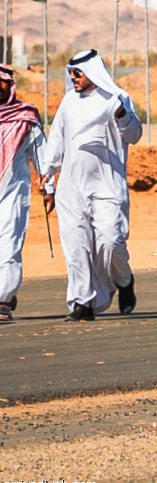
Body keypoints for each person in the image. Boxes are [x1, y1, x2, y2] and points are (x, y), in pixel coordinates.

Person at [40, 49, 142, 322]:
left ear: (93, 73)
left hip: (108, 187)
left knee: (111, 241)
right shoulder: (69, 102)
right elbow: (57, 140)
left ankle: (124, 280)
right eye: (70, 73)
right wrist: (47, 177)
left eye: (78, 73)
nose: (73, 78)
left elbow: (135, 135)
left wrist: (121, 114)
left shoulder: (117, 98)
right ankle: (82, 303)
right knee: (76, 246)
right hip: (71, 188)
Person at [0, 65, 50, 321]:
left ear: (10, 86)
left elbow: (41, 155)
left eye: (1, 83)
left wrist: (47, 186)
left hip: (12, 194)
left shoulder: (25, 116)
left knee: (9, 245)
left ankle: (3, 300)